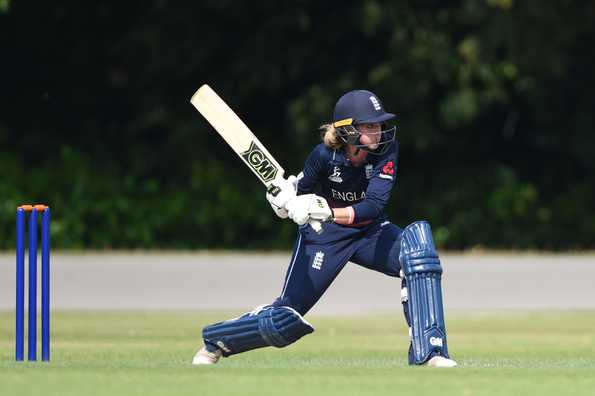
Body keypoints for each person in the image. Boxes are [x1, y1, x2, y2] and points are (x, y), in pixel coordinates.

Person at [192, 89, 457, 368]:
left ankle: (430, 352)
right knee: (285, 318)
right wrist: (283, 203)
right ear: (348, 130)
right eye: (369, 125)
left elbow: (373, 206)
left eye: (379, 124)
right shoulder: (323, 155)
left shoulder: (387, 151)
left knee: (418, 255)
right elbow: (299, 194)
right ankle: (217, 341)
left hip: (370, 231)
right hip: (323, 237)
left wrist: (328, 211)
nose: (378, 131)